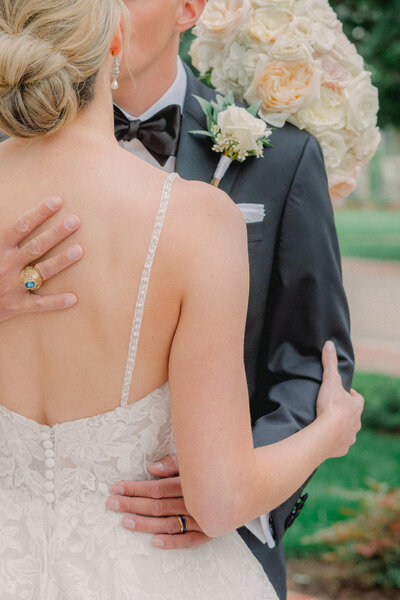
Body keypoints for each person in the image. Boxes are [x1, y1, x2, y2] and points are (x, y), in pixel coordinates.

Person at [0, 0, 363, 598]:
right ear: (112, 39)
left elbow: (305, 346)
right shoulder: (196, 220)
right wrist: (331, 428)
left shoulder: (283, 157)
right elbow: (221, 497)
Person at [102, 1, 356, 598]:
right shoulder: (20, 157)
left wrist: (237, 491)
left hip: (217, 545)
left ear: (188, 8)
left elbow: (313, 363)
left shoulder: (284, 158)